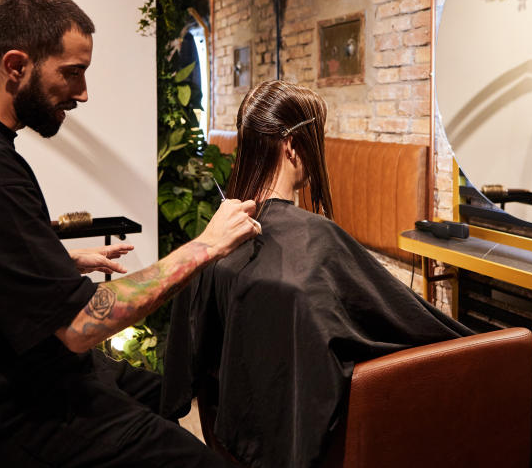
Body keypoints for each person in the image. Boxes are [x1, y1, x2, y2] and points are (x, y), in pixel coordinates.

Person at [0, 0, 260, 467]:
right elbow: (83, 325)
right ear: (16, 65)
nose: (83, 92)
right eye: (72, 74)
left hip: (31, 372)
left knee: (171, 391)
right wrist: (205, 246)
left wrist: (55, 263)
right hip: (10, 410)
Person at [161, 80, 472, 468]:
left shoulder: (217, 236)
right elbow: (410, 323)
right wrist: (491, 347)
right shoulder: (317, 241)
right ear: (293, 146)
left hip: (234, 442)